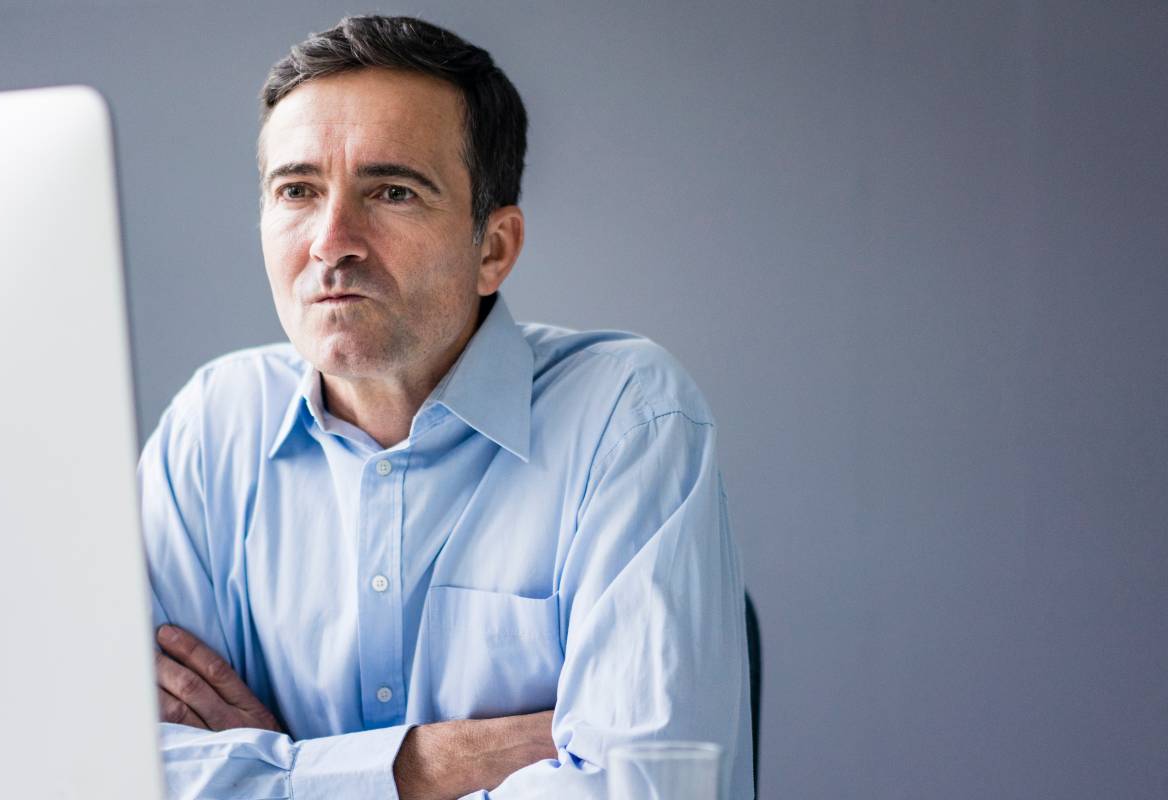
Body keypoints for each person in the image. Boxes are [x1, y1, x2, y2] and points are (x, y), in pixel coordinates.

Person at [140, 15, 752, 799]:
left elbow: (646, 786)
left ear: (493, 248)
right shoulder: (211, 428)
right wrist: (425, 765)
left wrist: (279, 771)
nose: (331, 241)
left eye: (392, 192)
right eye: (297, 190)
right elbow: (103, 768)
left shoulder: (629, 419)